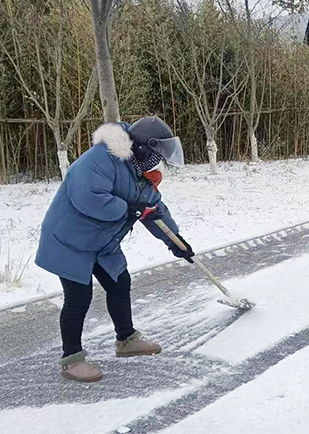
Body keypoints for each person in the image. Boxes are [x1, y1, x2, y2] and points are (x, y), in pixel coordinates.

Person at [35, 117, 195, 383]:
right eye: (156, 155)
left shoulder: (138, 171)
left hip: (102, 242)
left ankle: (126, 340)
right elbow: (88, 197)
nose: (156, 162)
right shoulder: (101, 158)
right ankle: (72, 359)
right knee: (78, 297)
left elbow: (153, 209)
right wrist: (127, 209)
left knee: (120, 283)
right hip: (70, 239)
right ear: (142, 147)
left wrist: (176, 241)